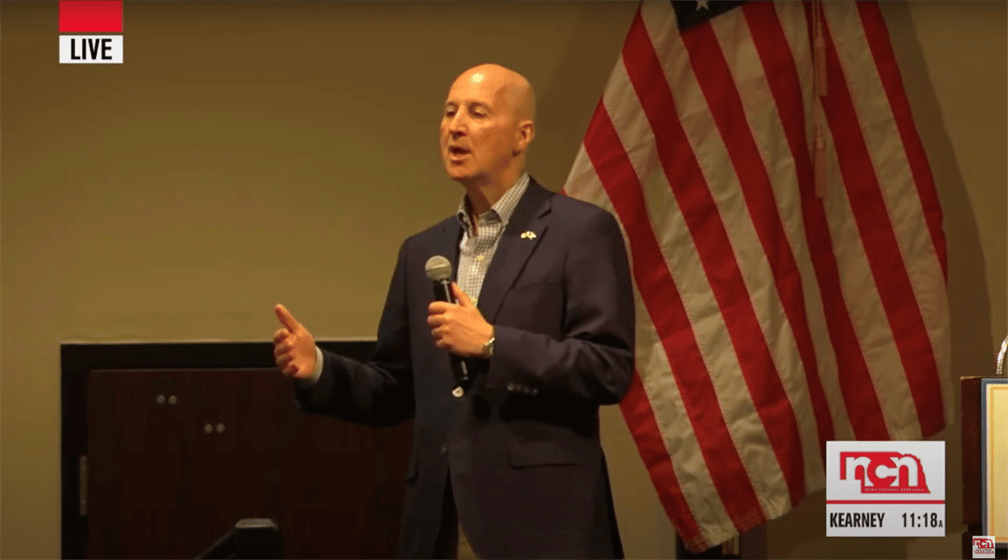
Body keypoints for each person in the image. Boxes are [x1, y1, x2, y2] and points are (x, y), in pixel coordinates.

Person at [272, 63, 634, 559]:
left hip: (545, 522)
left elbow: (608, 369)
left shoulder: (579, 232)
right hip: (441, 519)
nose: (455, 126)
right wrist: (319, 369)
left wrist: (493, 344)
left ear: (522, 135)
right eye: (449, 112)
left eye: (477, 113)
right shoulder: (422, 251)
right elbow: (395, 387)